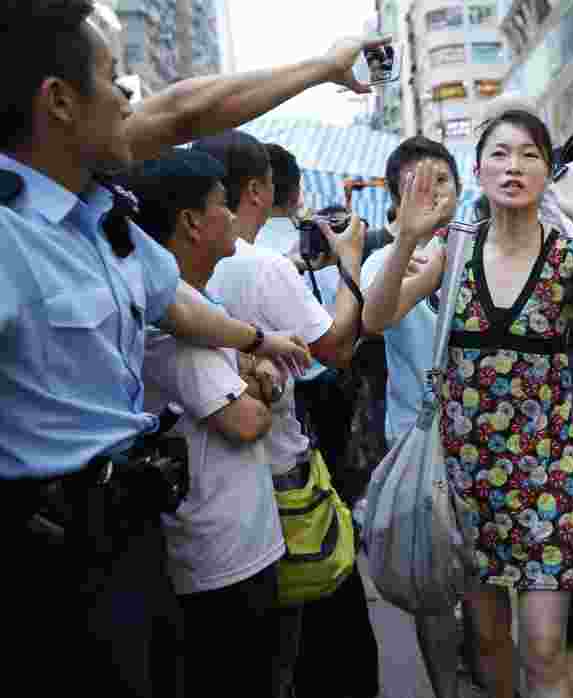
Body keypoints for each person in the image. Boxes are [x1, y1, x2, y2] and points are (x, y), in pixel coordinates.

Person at [0, 3, 406, 695]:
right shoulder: (11, 233)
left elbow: (178, 301)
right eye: (111, 78)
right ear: (60, 102)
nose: (130, 97)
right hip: (49, 564)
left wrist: (256, 340)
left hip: (134, 542)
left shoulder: (101, 219)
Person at [364, 109, 573, 698]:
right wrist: (408, 236)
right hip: (465, 478)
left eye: (530, 155)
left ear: (548, 172)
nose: (513, 166)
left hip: (547, 477)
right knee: (489, 645)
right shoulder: (454, 249)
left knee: (543, 650)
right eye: (500, 153)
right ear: (479, 168)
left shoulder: (567, 252)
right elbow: (376, 316)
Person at [194, 130, 368, 698]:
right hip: (280, 488)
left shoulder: (174, 263)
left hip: (204, 502)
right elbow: (337, 347)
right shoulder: (263, 266)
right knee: (328, 653)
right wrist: (349, 264)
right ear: (256, 190)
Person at [121, 149, 286, 696]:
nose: (236, 217)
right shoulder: (175, 326)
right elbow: (244, 419)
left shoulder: (203, 308)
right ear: (192, 223)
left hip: (242, 544)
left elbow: (254, 373)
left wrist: (259, 376)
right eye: (223, 206)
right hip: (217, 560)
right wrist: (266, 383)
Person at [362, 135, 466, 698]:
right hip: (417, 443)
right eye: (417, 186)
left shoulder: (483, 247)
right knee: (432, 580)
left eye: (441, 182)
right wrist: (409, 244)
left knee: (482, 583)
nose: (433, 195)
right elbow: (374, 320)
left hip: (483, 440)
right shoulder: (385, 260)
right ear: (395, 197)